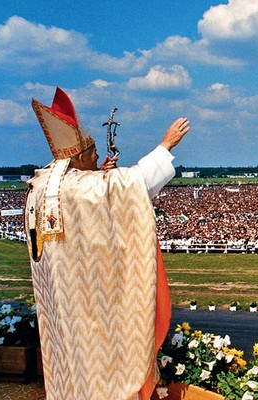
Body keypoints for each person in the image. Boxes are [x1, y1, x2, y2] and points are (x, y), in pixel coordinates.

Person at [25, 87, 190, 399]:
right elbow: (135, 184)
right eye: (94, 156)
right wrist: (165, 146)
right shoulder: (82, 189)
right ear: (81, 156)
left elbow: (85, 211)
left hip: (63, 308)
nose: (98, 159)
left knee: (69, 372)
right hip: (92, 308)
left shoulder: (40, 187)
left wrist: (100, 180)